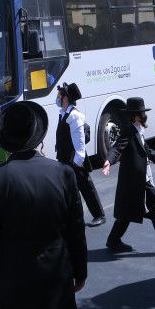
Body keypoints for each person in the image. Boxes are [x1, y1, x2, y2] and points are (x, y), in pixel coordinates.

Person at [0, 102, 88, 309]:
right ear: (37, 137)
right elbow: (76, 230)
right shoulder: (63, 173)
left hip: (12, 282)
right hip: (56, 275)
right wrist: (80, 271)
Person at [101, 97, 155, 255]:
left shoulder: (138, 130)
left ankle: (113, 240)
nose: (145, 115)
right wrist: (108, 161)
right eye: (142, 113)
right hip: (136, 180)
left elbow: (147, 151)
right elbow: (117, 148)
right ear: (135, 116)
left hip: (137, 179)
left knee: (128, 211)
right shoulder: (129, 131)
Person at [55, 82, 106, 227]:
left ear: (65, 98)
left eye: (59, 96)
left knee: (86, 188)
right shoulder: (63, 113)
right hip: (65, 159)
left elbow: (80, 144)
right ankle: (72, 219)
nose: (57, 98)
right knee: (70, 191)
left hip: (75, 161)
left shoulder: (74, 116)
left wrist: (76, 164)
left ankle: (99, 215)